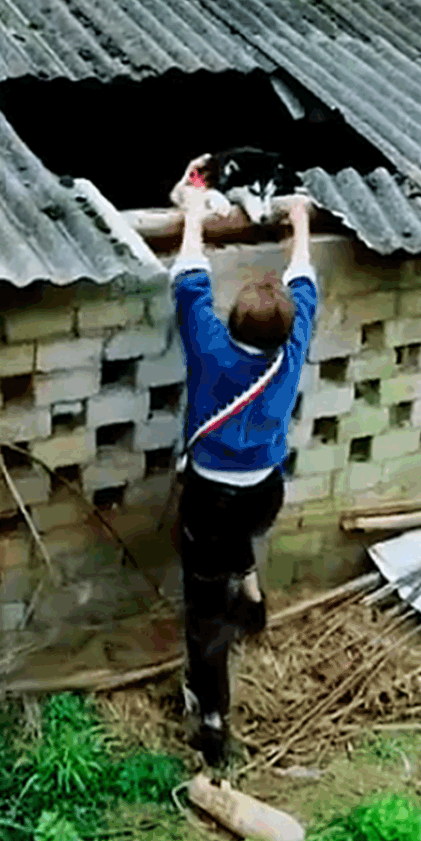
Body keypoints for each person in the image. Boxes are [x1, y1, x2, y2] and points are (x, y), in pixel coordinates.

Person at [170, 172, 318, 768]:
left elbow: (188, 275)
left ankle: (211, 718)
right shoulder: (293, 348)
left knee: (204, 614)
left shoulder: (211, 346)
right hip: (264, 491)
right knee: (241, 538)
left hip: (211, 499)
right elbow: (305, 277)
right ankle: (253, 598)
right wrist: (300, 220)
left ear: (232, 323)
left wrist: (192, 211)